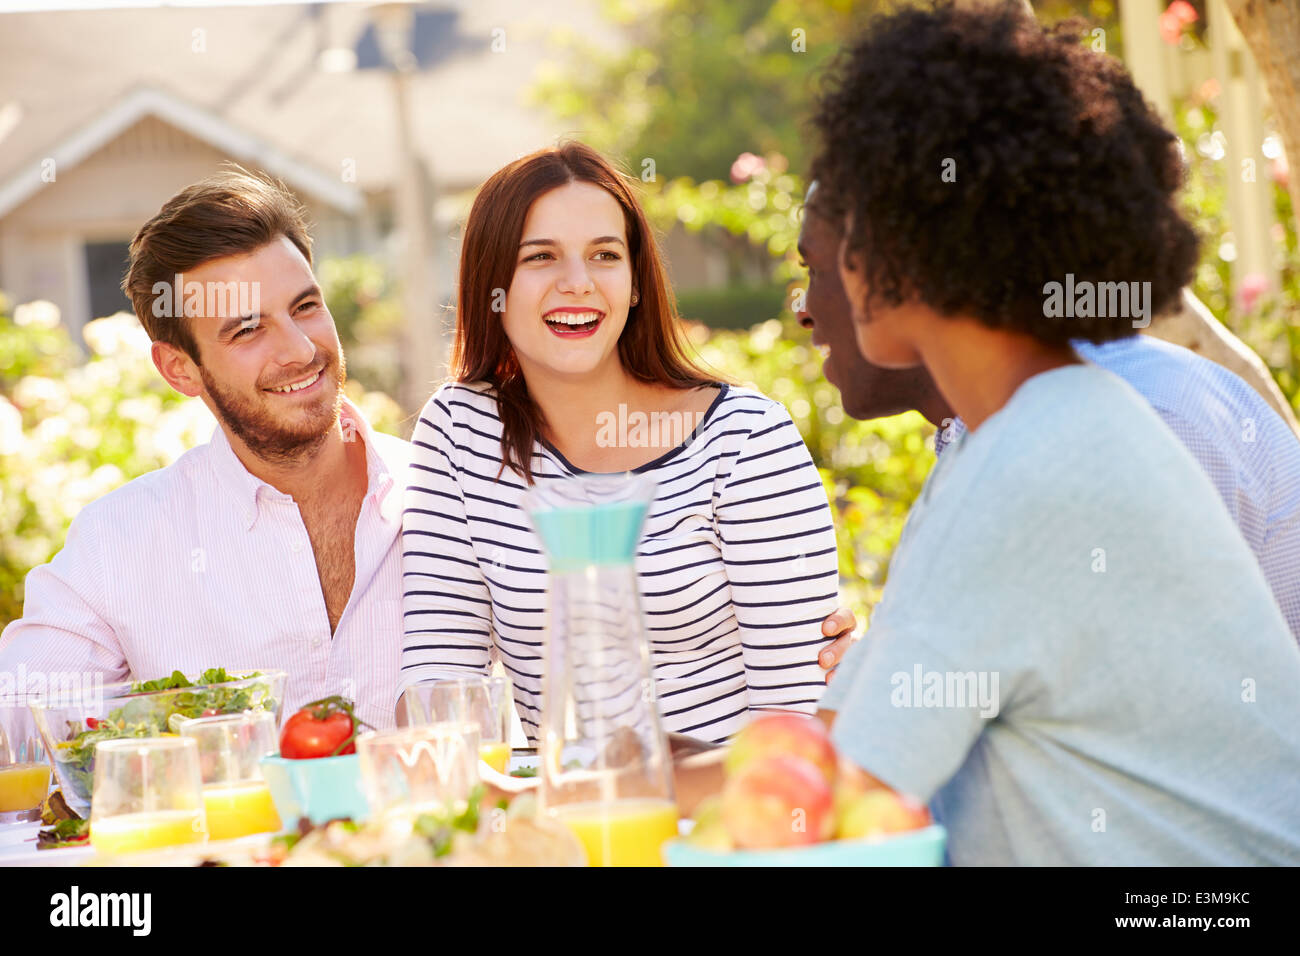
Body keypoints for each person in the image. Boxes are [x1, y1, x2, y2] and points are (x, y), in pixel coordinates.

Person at [681, 2, 1300, 864]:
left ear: (909, 240)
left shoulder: (1038, 466)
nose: (831, 262)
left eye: (847, 225)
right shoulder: (1029, 433)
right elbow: (832, 744)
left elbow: (830, 801)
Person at [398, 142, 854, 744]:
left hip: (727, 824)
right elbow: (439, 691)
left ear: (635, 282)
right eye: (540, 257)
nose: (578, 283)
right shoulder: (459, 432)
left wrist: (626, 789)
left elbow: (796, 731)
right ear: (493, 287)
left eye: (604, 255)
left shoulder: (745, 440)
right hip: (560, 823)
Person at [796, 180, 1300, 641]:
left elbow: (1151, 718)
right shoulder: (982, 433)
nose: (802, 308)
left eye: (817, 270)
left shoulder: (1130, 424)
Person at [0, 168, 409, 731]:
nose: (299, 349)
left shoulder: (446, 494)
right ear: (180, 369)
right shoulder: (118, 546)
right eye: (247, 330)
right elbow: (20, 723)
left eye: (306, 307)